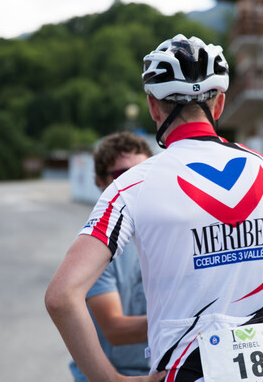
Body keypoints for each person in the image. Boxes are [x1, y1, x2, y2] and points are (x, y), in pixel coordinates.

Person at [45, 34, 263, 382]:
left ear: (153, 106)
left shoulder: (130, 186)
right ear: (220, 104)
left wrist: (113, 381)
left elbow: (61, 296)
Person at [69, 132, 153, 382]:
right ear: (99, 182)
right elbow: (115, 330)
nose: (137, 183)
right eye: (124, 175)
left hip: (161, 368)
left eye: (145, 172)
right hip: (113, 375)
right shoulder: (95, 247)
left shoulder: (167, 234)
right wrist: (187, 319)